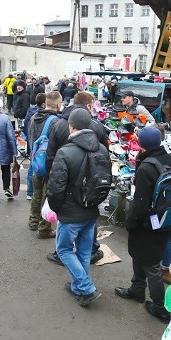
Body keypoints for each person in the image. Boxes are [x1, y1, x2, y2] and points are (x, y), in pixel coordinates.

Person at [114, 125, 171, 323]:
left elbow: (141, 202)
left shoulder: (146, 167)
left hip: (147, 222)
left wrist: (131, 222)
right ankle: (137, 289)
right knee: (140, 255)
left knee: (151, 264)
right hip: (164, 218)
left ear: (141, 144)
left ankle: (159, 306)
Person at [46, 108, 108, 307]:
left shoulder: (65, 152)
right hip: (91, 210)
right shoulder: (102, 149)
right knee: (83, 251)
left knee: (63, 250)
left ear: (71, 127)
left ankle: (85, 286)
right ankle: (79, 288)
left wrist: (57, 209)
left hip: (71, 213)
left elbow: (55, 188)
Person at [45, 91, 108, 257]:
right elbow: (104, 156)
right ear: (88, 105)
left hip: (64, 184)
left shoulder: (58, 124)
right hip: (90, 184)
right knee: (87, 219)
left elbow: (50, 154)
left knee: (66, 225)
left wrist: (51, 184)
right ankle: (92, 249)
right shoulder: (96, 126)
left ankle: (66, 256)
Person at [28, 91, 61, 238]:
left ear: (46, 103)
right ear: (59, 105)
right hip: (49, 164)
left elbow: (31, 139)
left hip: (36, 162)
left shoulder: (34, 117)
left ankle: (33, 221)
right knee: (47, 196)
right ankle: (44, 228)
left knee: (37, 193)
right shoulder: (56, 122)